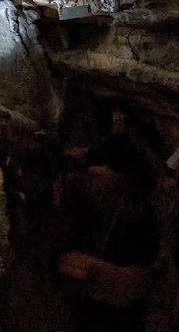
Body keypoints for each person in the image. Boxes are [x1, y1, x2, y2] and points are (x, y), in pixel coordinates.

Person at [56, 139, 158, 330]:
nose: (90, 173)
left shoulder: (139, 213)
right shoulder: (90, 203)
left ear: (121, 175)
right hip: (89, 309)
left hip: (115, 317)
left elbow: (142, 281)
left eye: (97, 168)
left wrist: (98, 270)